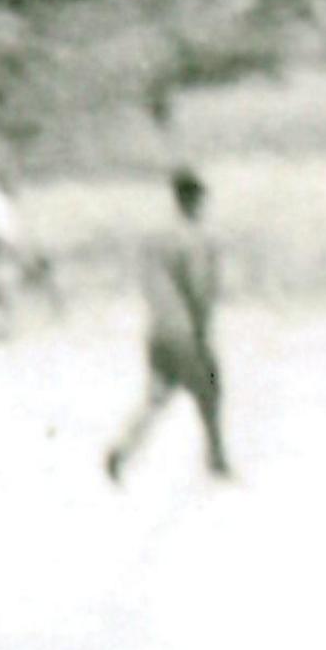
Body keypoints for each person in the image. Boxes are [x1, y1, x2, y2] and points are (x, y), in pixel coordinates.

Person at [104, 168, 231, 482]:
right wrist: (202, 330)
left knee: (157, 395)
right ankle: (216, 459)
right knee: (210, 389)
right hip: (185, 331)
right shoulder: (195, 236)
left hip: (157, 329)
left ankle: (123, 449)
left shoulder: (155, 237)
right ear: (195, 199)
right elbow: (199, 289)